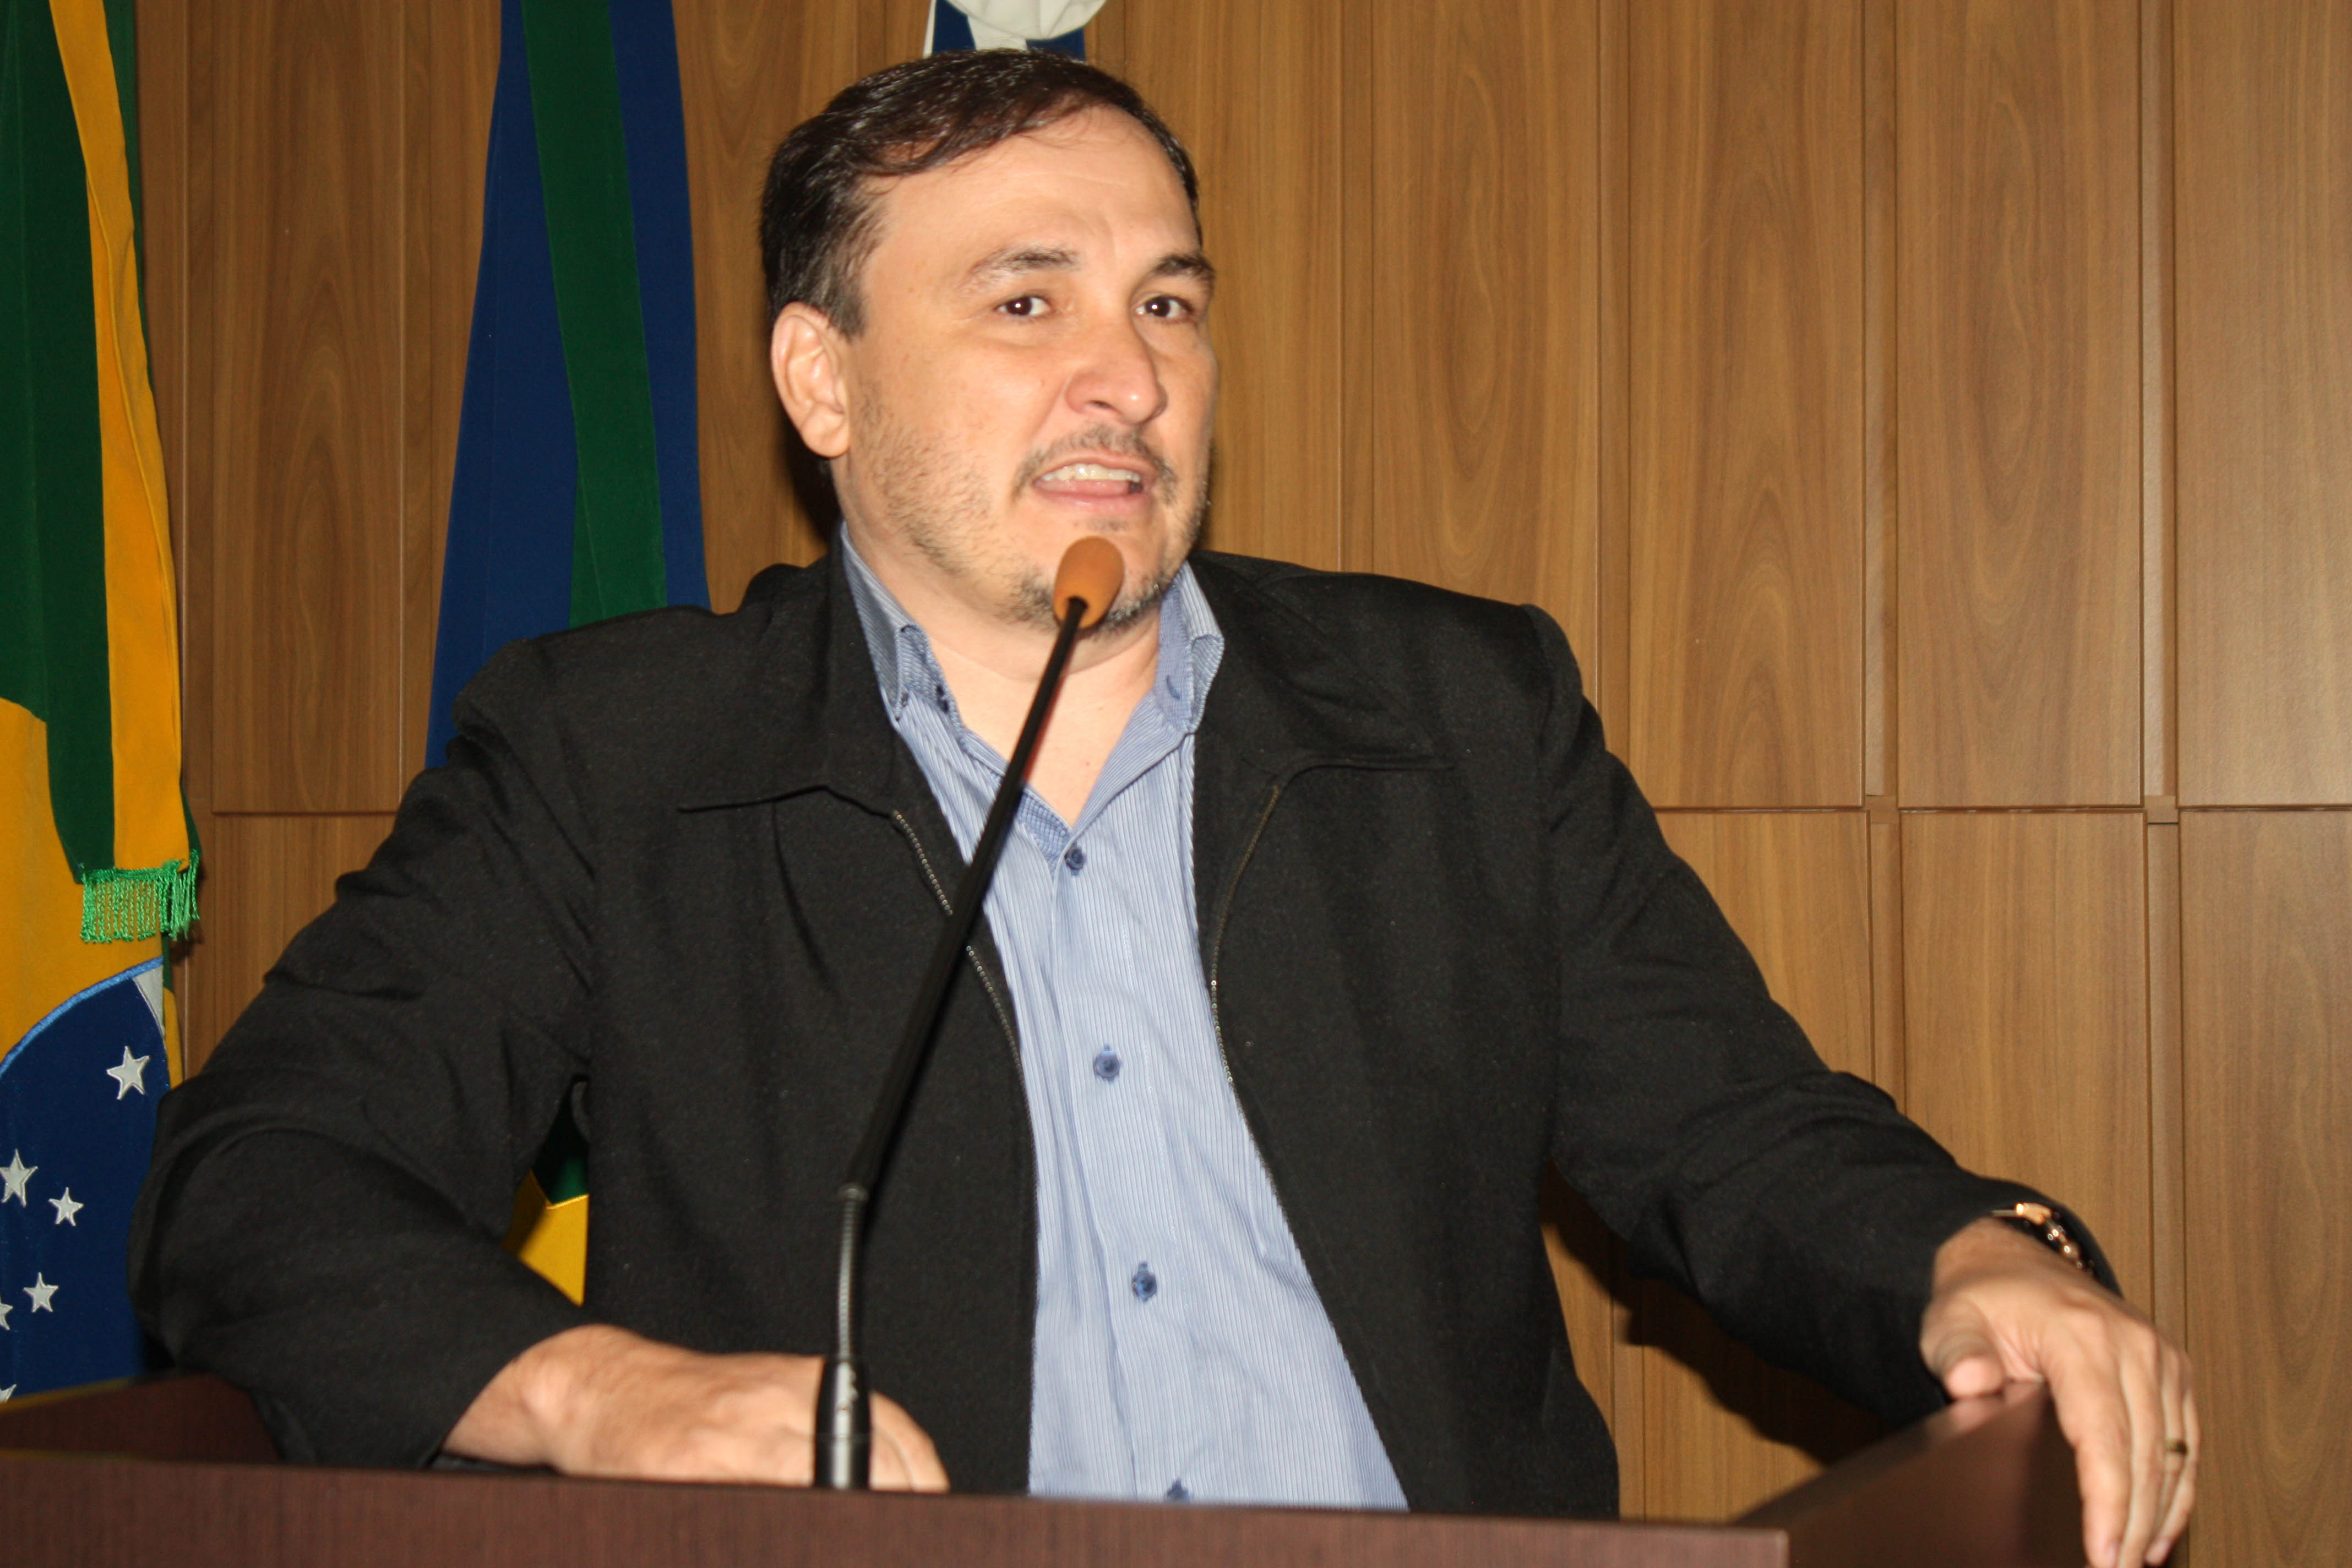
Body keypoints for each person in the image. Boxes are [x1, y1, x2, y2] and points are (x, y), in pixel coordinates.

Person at [131, 50, 2195, 1568]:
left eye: (1168, 303)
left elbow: (1733, 1127)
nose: (1126, 374)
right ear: (822, 383)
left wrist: (1973, 1253)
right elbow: (260, 1183)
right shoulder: (621, 756)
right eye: (1027, 302)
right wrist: (607, 1396)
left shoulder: (1456, 715)